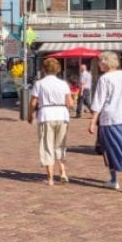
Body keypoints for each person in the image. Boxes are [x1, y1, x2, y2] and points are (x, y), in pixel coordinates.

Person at [88, 51, 122, 192]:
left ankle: (121, 179)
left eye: (100, 61)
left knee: (109, 149)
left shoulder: (105, 79)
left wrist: (93, 121)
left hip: (111, 119)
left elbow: (99, 101)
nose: (99, 64)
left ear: (105, 62)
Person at [29, 57, 74, 185]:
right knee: (60, 144)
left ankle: (50, 178)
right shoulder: (63, 84)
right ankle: (63, 172)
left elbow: (33, 102)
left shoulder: (40, 84)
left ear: (44, 69)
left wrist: (30, 115)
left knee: (47, 146)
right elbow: (70, 103)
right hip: (62, 115)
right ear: (58, 69)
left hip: (46, 115)